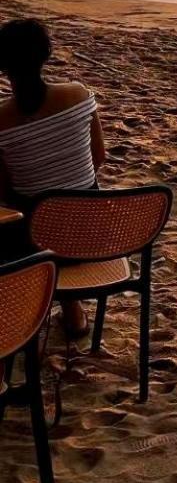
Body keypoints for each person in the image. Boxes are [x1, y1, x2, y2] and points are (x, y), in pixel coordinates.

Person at [0, 18, 107, 338]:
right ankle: (72, 311)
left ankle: (22, 313)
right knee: (65, 198)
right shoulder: (78, 94)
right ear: (46, 54)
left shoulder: (1, 120)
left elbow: (3, 190)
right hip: (95, 236)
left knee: (15, 211)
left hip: (34, 245)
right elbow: (98, 158)